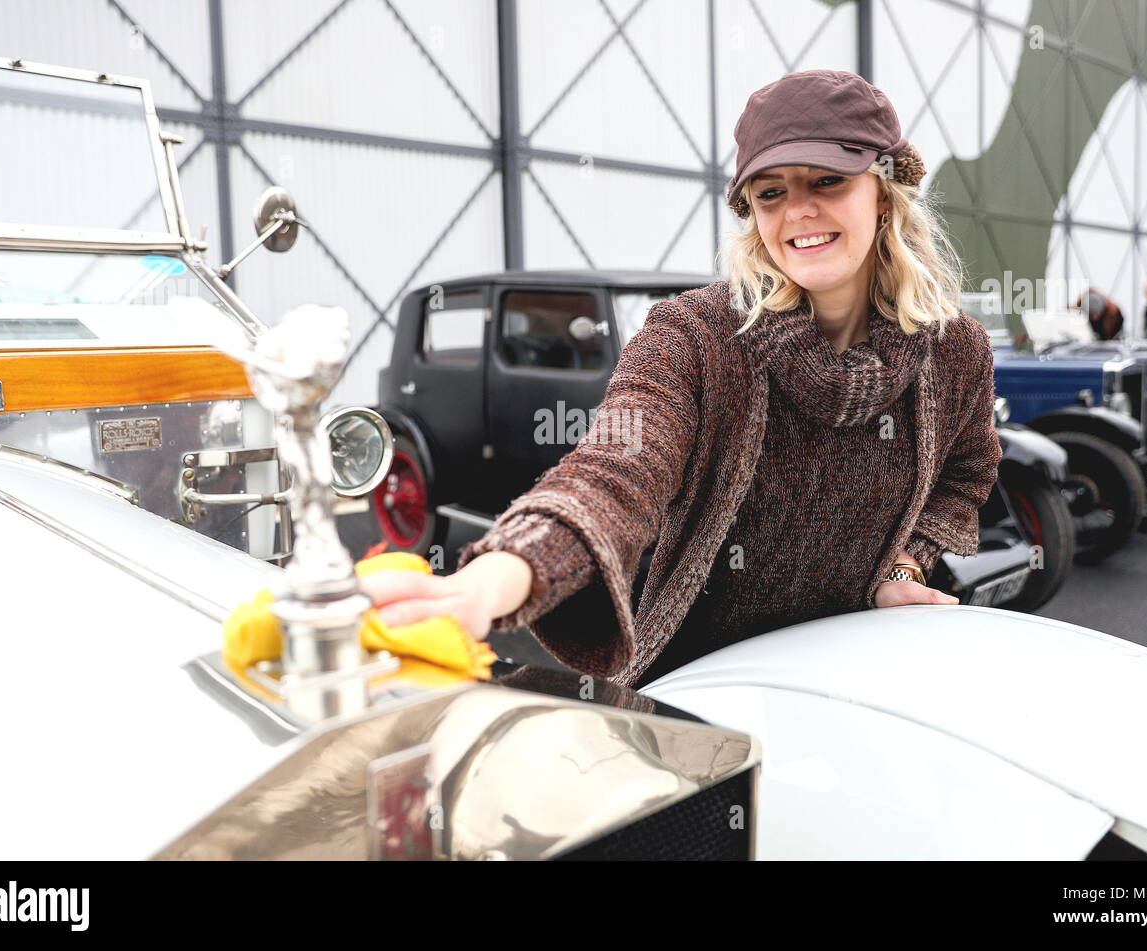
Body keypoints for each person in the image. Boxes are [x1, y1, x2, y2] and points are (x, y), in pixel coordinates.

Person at [361, 69, 1003, 689]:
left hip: (852, 668)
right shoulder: (694, 336)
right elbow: (614, 473)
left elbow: (967, 474)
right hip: (696, 686)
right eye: (771, 192)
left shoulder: (956, 352)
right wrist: (486, 585)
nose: (798, 211)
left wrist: (904, 564)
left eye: (829, 181)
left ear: (885, 191)